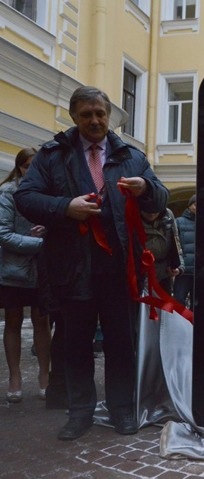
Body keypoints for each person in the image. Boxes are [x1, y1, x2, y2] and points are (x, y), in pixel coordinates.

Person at [14, 86, 169, 440]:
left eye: (100, 114)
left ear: (109, 115)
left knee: (121, 343)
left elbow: (160, 198)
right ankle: (80, 412)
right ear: (74, 116)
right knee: (76, 344)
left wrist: (146, 188)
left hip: (119, 269)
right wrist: (64, 207)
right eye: (86, 115)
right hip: (72, 267)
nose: (95, 121)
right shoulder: (53, 155)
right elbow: (26, 197)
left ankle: (122, 409)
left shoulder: (131, 156)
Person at [0, 147, 51, 403]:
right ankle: (15, 377)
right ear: (19, 167)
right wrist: (40, 243)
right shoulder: (8, 192)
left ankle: (44, 375)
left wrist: (49, 231)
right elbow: (3, 234)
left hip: (42, 270)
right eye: (26, 165)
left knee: (42, 321)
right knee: (13, 321)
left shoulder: (47, 192)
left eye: (35, 165)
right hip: (13, 269)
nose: (31, 170)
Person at [141, 206, 184, 295]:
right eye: (148, 211)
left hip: (165, 273)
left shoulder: (168, 215)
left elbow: (176, 241)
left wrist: (180, 266)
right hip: (142, 274)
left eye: (155, 211)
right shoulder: (132, 215)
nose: (152, 214)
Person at [174, 194, 196, 306]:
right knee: (178, 300)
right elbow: (174, 244)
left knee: (196, 304)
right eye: (195, 204)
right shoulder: (179, 222)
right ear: (189, 206)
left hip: (200, 271)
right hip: (184, 270)